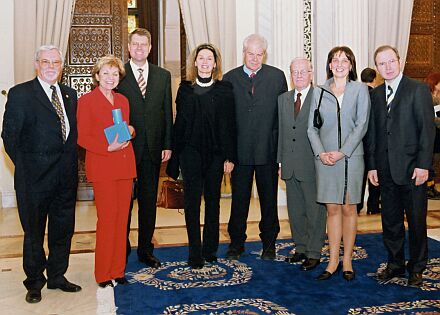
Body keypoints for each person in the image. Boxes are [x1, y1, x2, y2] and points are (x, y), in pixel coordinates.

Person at [2, 45, 81, 303]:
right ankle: (34, 281)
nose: (50, 67)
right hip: (33, 180)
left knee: (63, 229)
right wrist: (28, 168)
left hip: (65, 178)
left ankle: (57, 275)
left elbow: (71, 137)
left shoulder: (70, 94)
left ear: (61, 66)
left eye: (55, 62)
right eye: (45, 62)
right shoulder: (21, 94)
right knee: (34, 232)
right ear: (37, 64)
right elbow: (9, 137)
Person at [367, 45, 435, 287]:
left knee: (416, 222)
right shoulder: (375, 95)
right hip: (385, 171)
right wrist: (372, 166)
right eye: (382, 63)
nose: (387, 67)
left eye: (391, 61)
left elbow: (427, 131)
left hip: (412, 170)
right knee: (391, 222)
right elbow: (373, 134)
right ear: (377, 68)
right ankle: (395, 265)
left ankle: (417, 268)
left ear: (400, 61)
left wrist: (423, 165)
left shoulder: (417, 90)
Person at [167, 43, 236, 269]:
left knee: (213, 203)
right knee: (191, 203)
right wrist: (175, 157)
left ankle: (209, 250)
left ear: (215, 64)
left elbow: (229, 125)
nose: (205, 62)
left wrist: (229, 157)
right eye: (201, 58)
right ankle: (194, 251)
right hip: (190, 154)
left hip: (216, 155)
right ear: (195, 63)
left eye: (209, 58)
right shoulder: (184, 89)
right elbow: (179, 124)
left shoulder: (224, 89)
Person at [307, 46, 370, 281]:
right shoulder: (319, 91)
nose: (340, 64)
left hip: (352, 158)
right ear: (330, 65)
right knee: (332, 209)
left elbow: (361, 125)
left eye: (345, 60)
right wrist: (321, 153)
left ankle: (347, 261)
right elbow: (311, 128)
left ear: (351, 65)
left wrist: (342, 152)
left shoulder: (360, 90)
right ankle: (332, 261)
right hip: (325, 159)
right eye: (335, 60)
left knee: (348, 207)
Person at [224, 34, 288, 261]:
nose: (254, 58)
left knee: (269, 201)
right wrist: (227, 155)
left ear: (264, 54)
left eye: (259, 54)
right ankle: (236, 244)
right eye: (250, 54)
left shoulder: (277, 77)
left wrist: (282, 156)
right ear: (244, 53)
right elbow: (226, 122)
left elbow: (283, 118)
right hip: (239, 154)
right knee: (239, 202)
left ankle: (269, 244)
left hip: (267, 152)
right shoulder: (229, 78)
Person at [77, 55, 136, 287]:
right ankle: (103, 273)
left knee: (122, 221)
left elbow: (126, 130)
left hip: (124, 165)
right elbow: (83, 137)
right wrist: (106, 147)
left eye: (114, 74)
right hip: (103, 166)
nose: (110, 78)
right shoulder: (86, 101)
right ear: (97, 76)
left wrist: (131, 131)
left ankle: (118, 270)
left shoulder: (123, 100)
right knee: (107, 220)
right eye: (106, 73)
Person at [117, 28, 173, 268]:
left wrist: (167, 144)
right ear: (129, 48)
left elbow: (167, 112)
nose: (139, 49)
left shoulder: (163, 75)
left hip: (153, 149)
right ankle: (121, 247)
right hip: (126, 149)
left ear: (150, 49)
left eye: (144, 45)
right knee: (124, 202)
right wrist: (119, 142)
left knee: (149, 202)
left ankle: (145, 250)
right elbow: (115, 112)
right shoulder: (118, 74)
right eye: (135, 44)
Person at [277, 58, 326, 271]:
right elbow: (281, 132)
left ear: (311, 74)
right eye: (294, 72)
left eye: (302, 72)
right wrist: (280, 161)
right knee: (295, 211)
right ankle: (301, 248)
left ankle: (314, 252)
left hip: (312, 165)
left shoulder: (321, 98)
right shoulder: (283, 99)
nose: (298, 76)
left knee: (314, 211)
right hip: (289, 164)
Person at [358, 68, 381, 214]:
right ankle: (372, 206)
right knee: (374, 174)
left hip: (359, 142)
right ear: (374, 79)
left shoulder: (357, 93)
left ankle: (358, 204)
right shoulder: (376, 95)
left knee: (359, 176)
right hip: (373, 141)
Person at [425, 72, 440, 199]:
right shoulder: (427, 97)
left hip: (438, 133)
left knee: (435, 161)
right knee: (429, 160)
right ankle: (428, 187)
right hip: (431, 133)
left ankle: (432, 186)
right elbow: (429, 117)